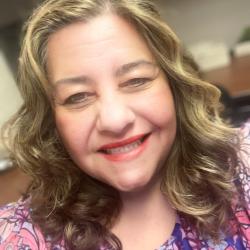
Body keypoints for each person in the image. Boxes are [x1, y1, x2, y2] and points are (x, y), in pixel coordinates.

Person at [0, 0, 249, 249]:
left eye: (135, 80)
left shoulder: (240, 167)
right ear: (50, 121)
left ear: (174, 86)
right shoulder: (19, 236)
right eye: (77, 97)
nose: (115, 120)